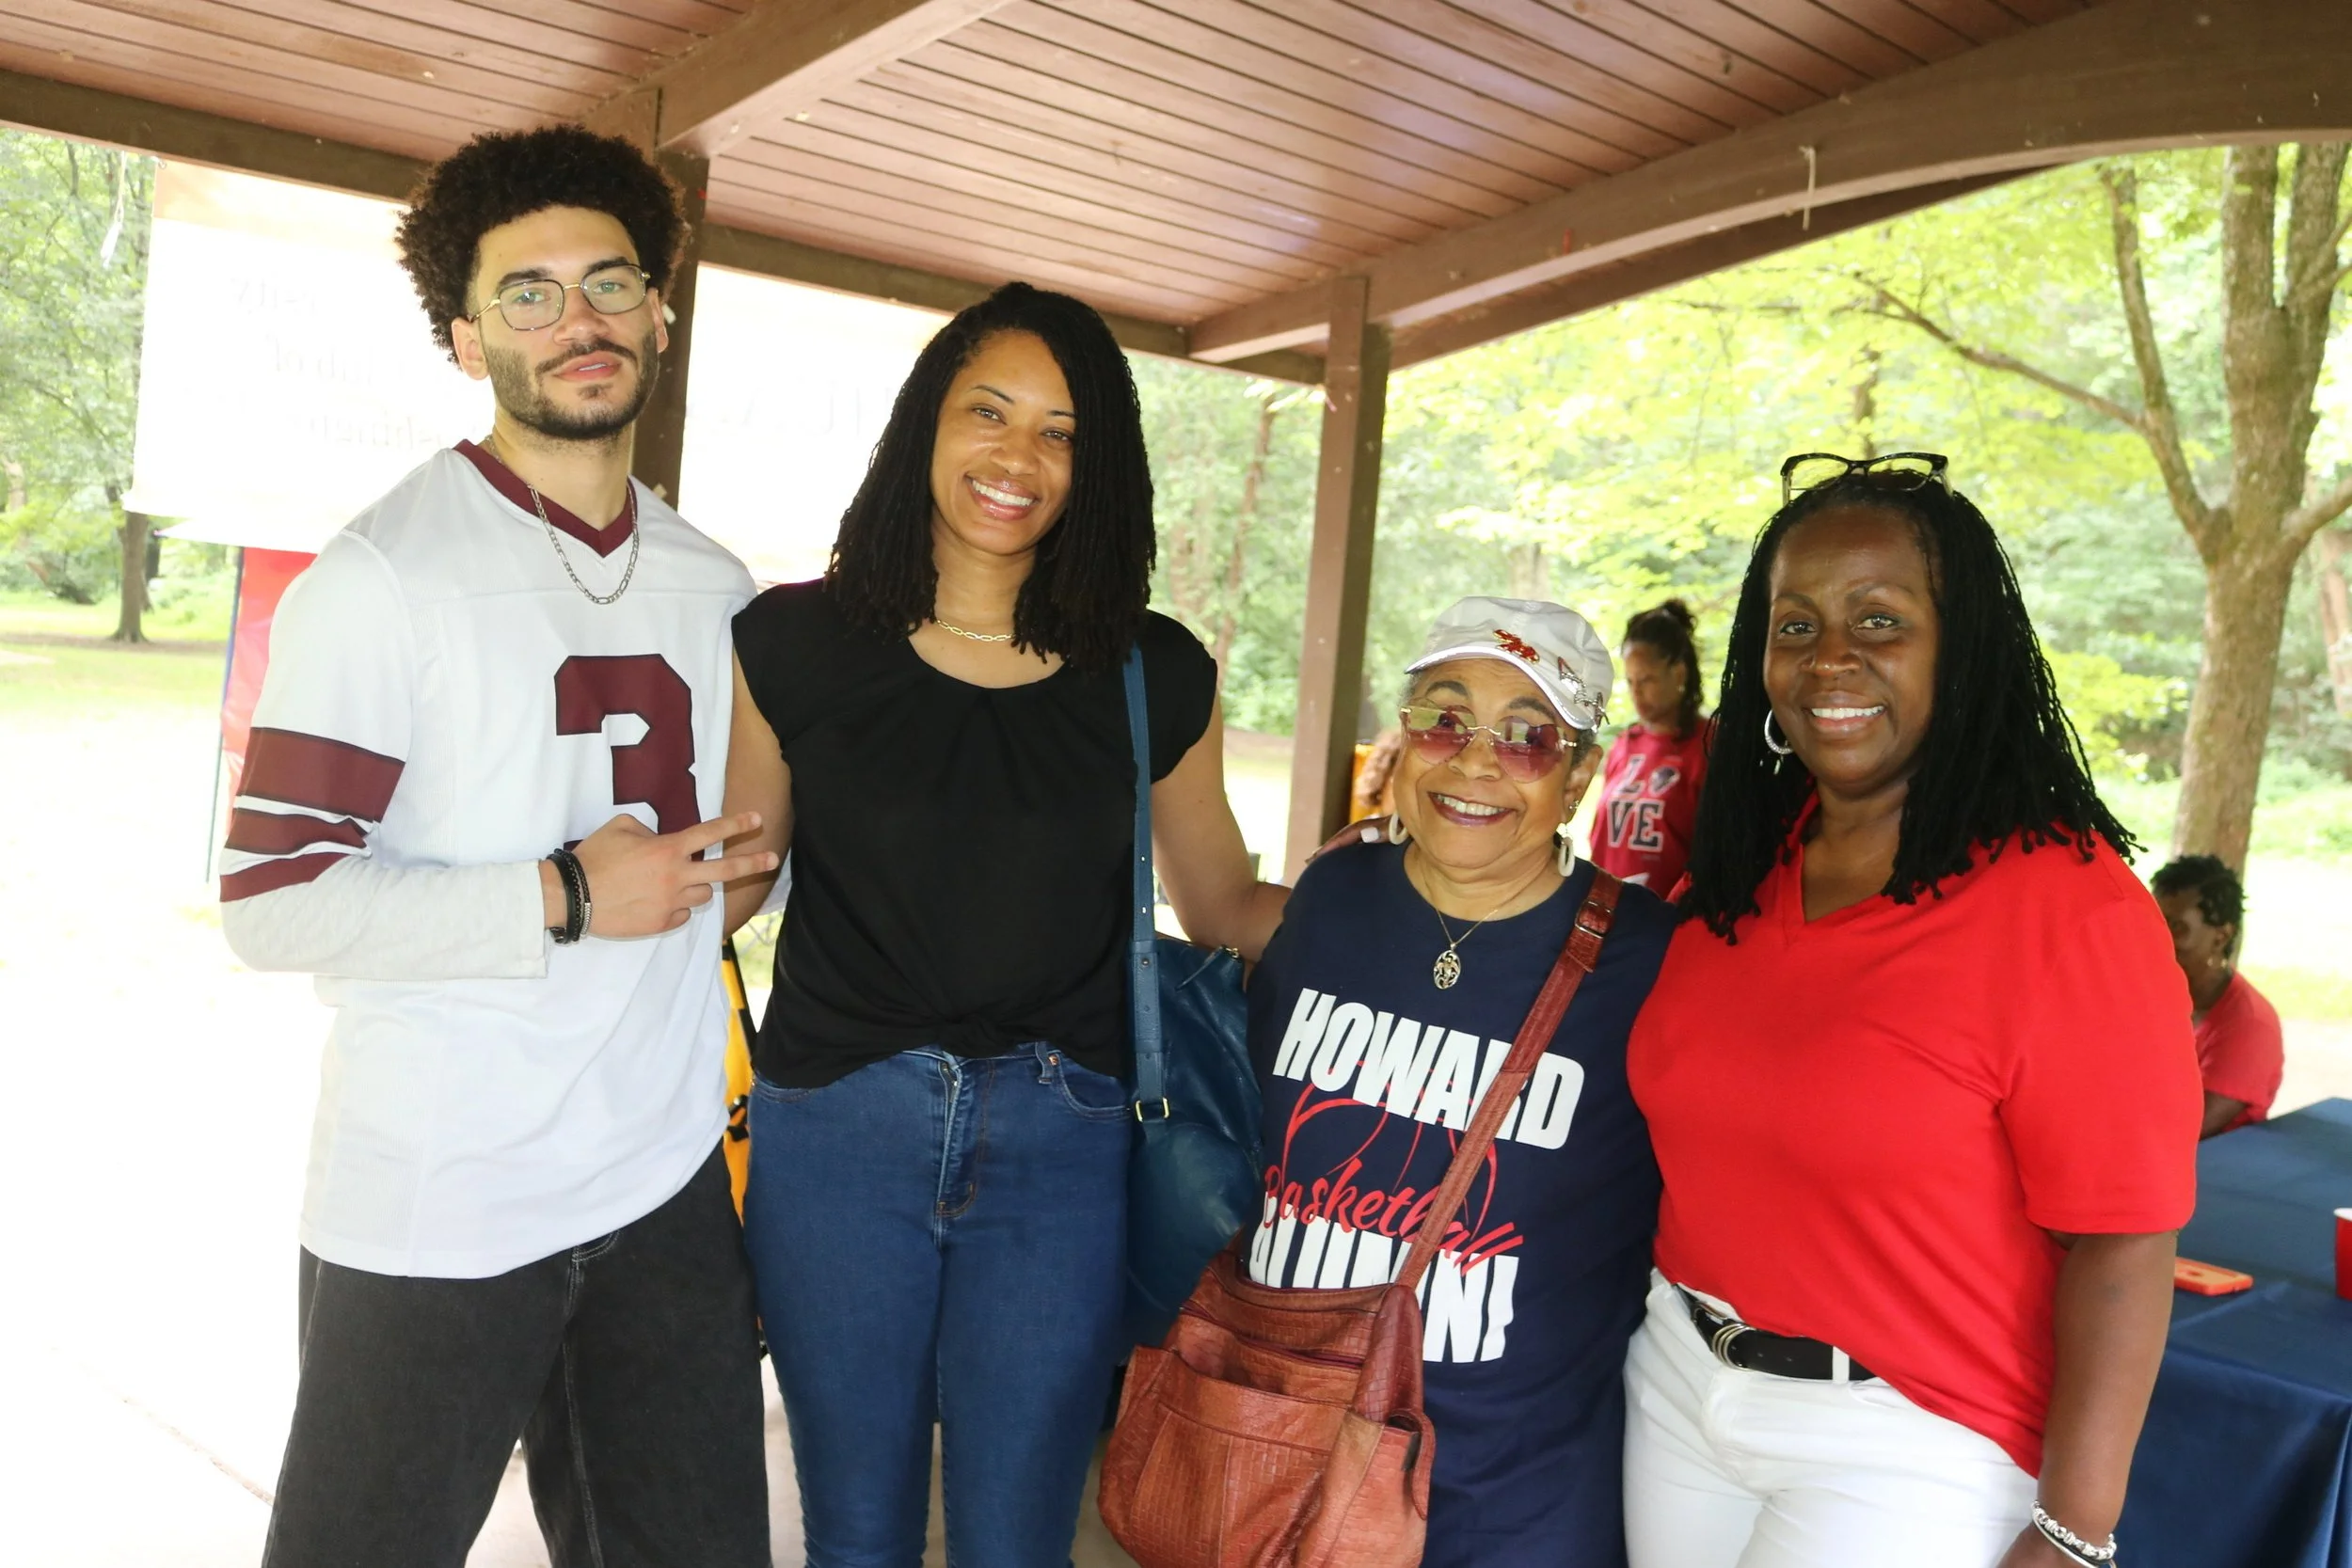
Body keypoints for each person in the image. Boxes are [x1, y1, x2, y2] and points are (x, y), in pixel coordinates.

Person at [217, 126, 777, 1568]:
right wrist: (568, 893)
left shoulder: (719, 585)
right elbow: (276, 900)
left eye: (608, 282)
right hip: (437, 1192)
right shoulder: (385, 572)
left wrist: (743, 880)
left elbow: (728, 863)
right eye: (526, 293)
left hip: (656, 1187)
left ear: (662, 309)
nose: (576, 320)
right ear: (466, 338)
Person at [720, 281, 1285, 1568]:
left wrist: (1428, 894)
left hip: (1065, 1145)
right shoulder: (792, 639)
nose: (1017, 456)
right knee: (854, 1536)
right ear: (927, 422)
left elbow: (1222, 903)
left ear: (1098, 467)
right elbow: (740, 872)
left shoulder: (1151, 669)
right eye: (989, 410)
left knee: (1016, 1537)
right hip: (837, 1135)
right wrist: (588, 880)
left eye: (1061, 430)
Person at [1624, 453, 2202, 1568]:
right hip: (1679, 1379)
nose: (1829, 657)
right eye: (1794, 626)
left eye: (1879, 619)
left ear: (1962, 649)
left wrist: (2074, 1528)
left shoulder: (2067, 905)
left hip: (1908, 1436)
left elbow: (2125, 1242)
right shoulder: (1745, 867)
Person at [1248, 595, 1674, 1567]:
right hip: (1282, 1448)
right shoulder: (1334, 893)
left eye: (1528, 738)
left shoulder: (1648, 960)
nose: (1476, 759)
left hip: (1512, 1496)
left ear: (1576, 780)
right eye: (1444, 718)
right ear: (1402, 741)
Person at [2151, 854, 2283, 1136]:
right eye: (2153, 921)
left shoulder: (2249, 1025)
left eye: (2176, 927)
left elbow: (2188, 1128)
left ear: (2220, 937)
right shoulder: (2153, 993)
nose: (2155, 938)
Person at [1592, 598, 1711, 891]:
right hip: (1607, 915)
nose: (1637, 693)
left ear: (1679, 673)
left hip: (1672, 921)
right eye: (1631, 681)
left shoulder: (1710, 745)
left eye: (1647, 680)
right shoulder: (1624, 745)